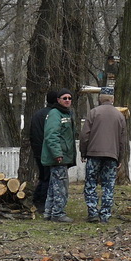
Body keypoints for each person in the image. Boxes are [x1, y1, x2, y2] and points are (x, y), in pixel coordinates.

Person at [80, 89, 127, 223]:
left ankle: (92, 212)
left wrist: (83, 152)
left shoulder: (93, 113)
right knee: (108, 185)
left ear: (100, 99)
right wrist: (120, 157)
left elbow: (84, 135)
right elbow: (122, 140)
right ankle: (105, 214)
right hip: (112, 155)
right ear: (112, 99)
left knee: (91, 183)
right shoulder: (120, 116)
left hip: (93, 154)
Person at [42, 88, 77, 222]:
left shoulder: (66, 114)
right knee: (60, 187)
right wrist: (57, 154)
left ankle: (49, 212)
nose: (67, 100)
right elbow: (51, 136)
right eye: (65, 98)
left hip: (63, 156)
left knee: (53, 186)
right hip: (58, 158)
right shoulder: (55, 114)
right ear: (58, 100)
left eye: (69, 98)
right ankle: (58, 213)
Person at [29, 89, 58, 214]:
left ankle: (37, 199)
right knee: (47, 177)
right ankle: (42, 203)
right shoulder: (53, 115)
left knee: (43, 176)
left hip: (37, 149)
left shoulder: (37, 114)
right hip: (47, 151)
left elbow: (32, 133)